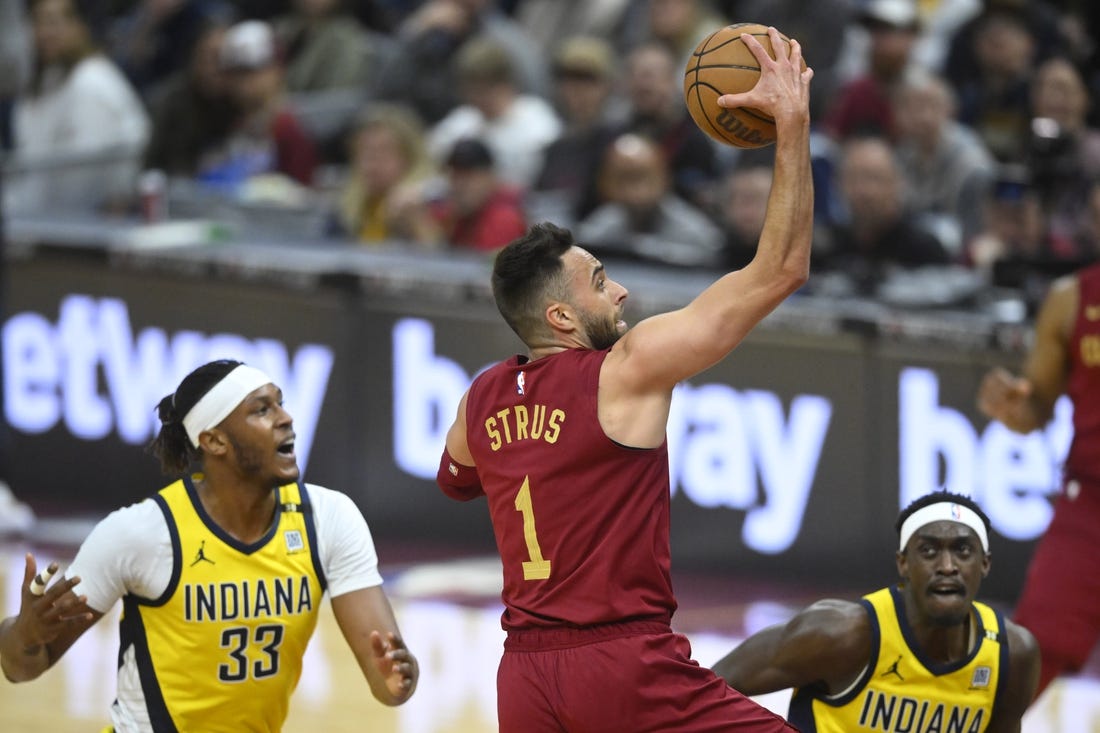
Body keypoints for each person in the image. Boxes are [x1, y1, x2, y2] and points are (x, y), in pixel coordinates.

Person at [436, 27, 811, 731]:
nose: (622, 293)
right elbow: (782, 268)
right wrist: (791, 125)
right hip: (622, 665)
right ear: (561, 315)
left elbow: (456, 480)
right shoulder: (626, 369)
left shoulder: (480, 397)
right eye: (601, 282)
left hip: (523, 676)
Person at [0, 359, 418, 730]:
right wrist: (26, 633)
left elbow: (387, 681)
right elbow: (20, 668)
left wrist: (400, 678)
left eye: (281, 403)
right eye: (262, 410)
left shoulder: (328, 520)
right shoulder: (141, 533)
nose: (286, 418)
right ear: (215, 440)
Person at [712, 491, 1040, 732]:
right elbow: (702, 690)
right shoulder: (840, 633)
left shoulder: (1012, 655)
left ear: (985, 564)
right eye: (928, 551)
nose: (947, 566)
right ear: (903, 563)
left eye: (963, 551)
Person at [978, 261, 1100, 698]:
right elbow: (1037, 405)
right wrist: (1013, 406)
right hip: (1090, 504)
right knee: (1024, 661)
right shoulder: (1072, 298)